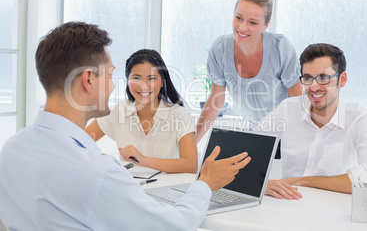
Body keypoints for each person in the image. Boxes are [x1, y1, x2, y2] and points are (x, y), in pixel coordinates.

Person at [0, 22, 251, 230]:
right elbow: (176, 226)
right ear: (88, 79)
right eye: (109, 75)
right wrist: (205, 183)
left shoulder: (10, 150)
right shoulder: (101, 176)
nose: (113, 85)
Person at [256, 43, 367, 200]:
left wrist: (303, 181)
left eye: (323, 77)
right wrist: (261, 183)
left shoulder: (359, 118)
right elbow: (247, 151)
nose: (314, 87)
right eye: (308, 78)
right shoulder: (287, 109)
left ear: (342, 79)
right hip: (288, 207)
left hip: (333, 211)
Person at [195, 0, 302, 143]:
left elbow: (297, 103)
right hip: (255, 133)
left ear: (266, 25)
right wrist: (192, 143)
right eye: (239, 18)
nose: (243, 27)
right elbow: (216, 101)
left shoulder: (280, 48)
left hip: (288, 134)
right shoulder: (220, 49)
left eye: (252, 22)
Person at [85, 49, 198, 173]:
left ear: (162, 82)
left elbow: (190, 165)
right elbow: (76, 142)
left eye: (151, 78)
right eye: (137, 78)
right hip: (128, 189)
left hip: (167, 190)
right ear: (127, 80)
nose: (144, 86)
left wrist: (144, 160)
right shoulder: (117, 112)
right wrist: (102, 160)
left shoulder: (179, 115)